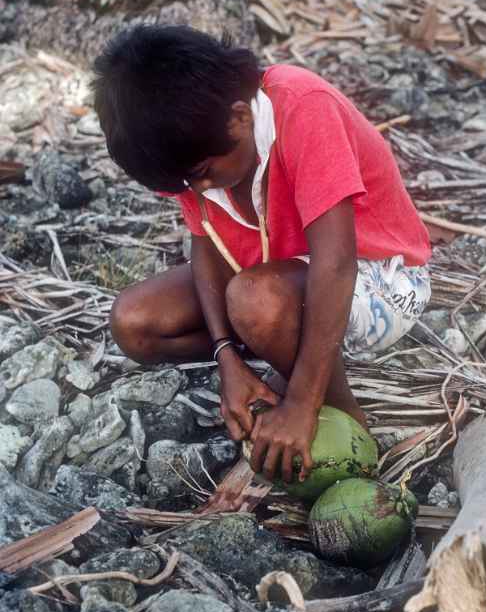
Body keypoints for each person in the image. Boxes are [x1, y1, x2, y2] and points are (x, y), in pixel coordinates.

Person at [92, 24, 431, 485]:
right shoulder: (190, 148)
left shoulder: (302, 106)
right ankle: (272, 335)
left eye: (202, 175)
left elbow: (336, 263)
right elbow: (205, 241)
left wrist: (300, 405)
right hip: (269, 278)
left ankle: (345, 413)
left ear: (239, 118)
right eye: (184, 185)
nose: (196, 190)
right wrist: (226, 357)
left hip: (378, 280)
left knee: (255, 300)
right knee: (135, 322)